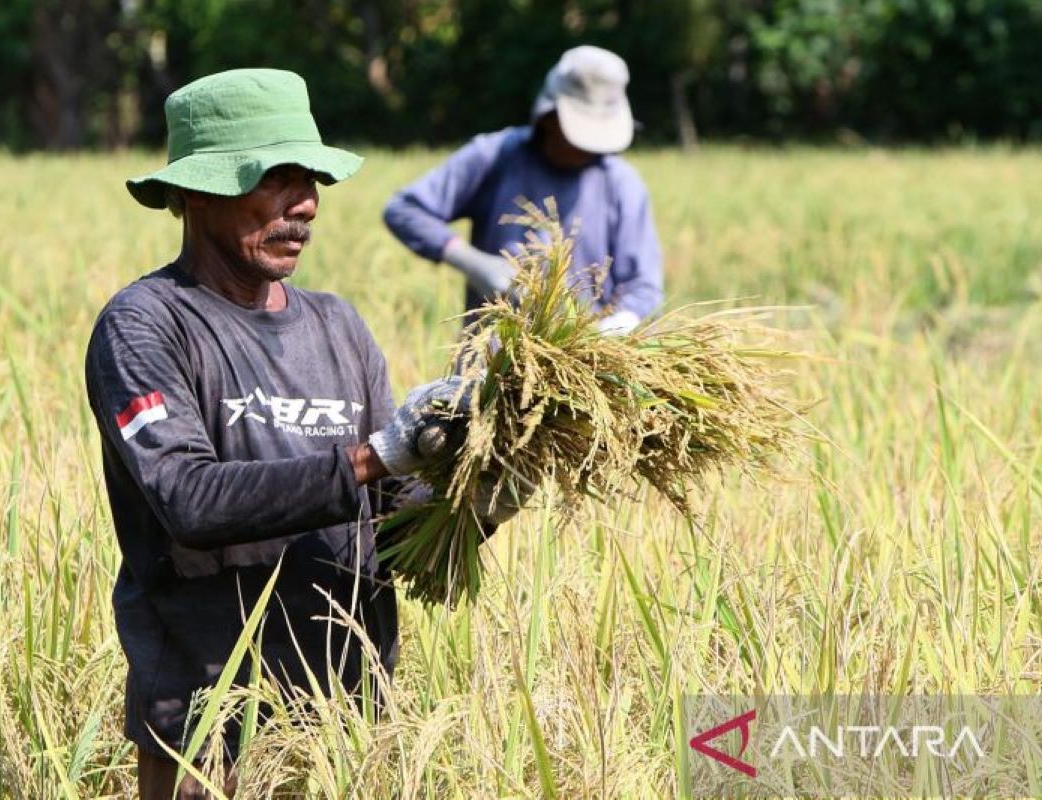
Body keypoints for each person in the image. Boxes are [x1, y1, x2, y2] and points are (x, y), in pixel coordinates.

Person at [85, 68, 508, 799]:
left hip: (346, 730)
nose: (305, 204)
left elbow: (398, 535)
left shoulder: (338, 326)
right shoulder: (146, 326)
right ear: (193, 191)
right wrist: (374, 456)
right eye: (274, 178)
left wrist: (490, 489)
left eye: (310, 178)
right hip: (206, 729)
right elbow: (187, 498)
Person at [383, 45, 664, 334]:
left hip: (586, 363)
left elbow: (644, 287)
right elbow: (404, 210)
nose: (587, 149)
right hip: (492, 362)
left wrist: (616, 326)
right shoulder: (496, 157)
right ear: (548, 118)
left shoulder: (622, 184)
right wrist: (471, 261)